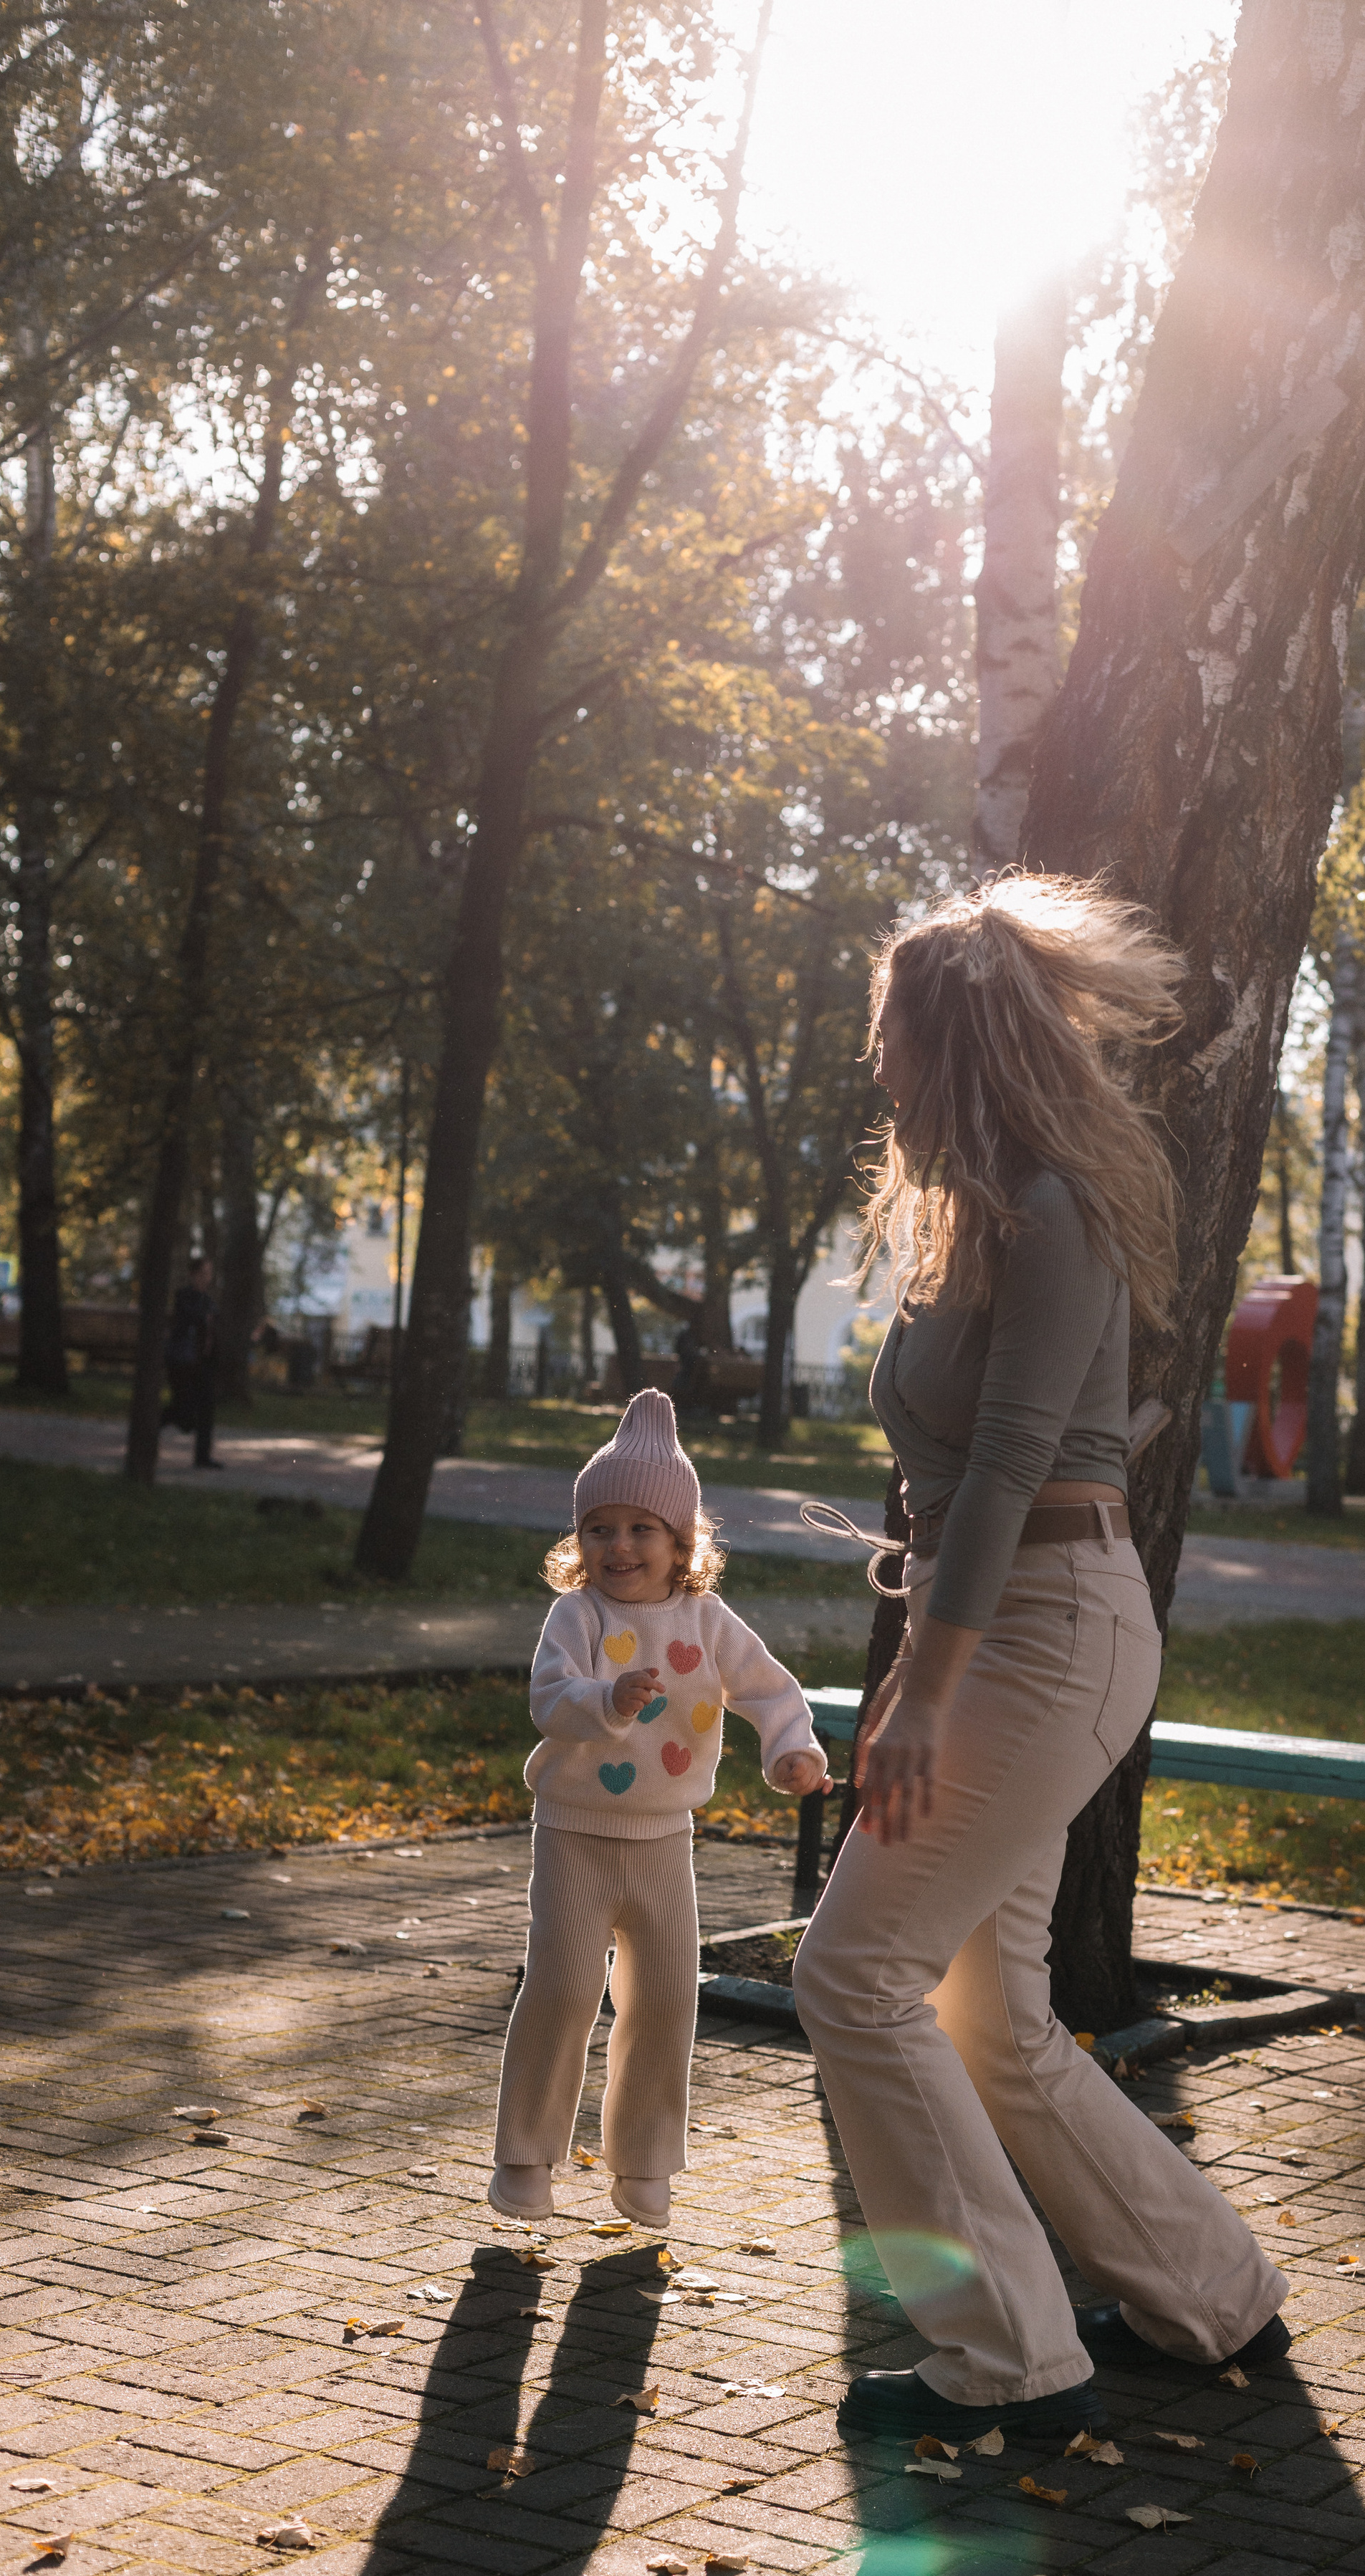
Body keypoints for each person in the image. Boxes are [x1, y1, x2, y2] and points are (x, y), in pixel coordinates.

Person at [792, 877, 1290, 2445]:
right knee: (982, 2014)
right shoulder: (982, 1214)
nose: (873, 1063)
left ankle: (1006, 2354)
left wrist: (922, 1690)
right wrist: (917, 1666)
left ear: (947, 1039)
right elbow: (963, 1489)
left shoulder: (1053, 1211)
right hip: (1004, 1621)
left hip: (1049, 1625)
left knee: (849, 1975)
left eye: (886, 1033)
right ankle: (1208, 2293)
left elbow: (1009, 1465)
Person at [491, 1389, 830, 2226]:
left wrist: (792, 1747)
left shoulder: (706, 1621)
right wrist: (608, 1698)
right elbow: (550, 1700)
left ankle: (643, 2164)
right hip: (574, 1831)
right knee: (566, 1989)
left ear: (682, 1541)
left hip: (664, 1839)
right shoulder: (576, 1615)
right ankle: (525, 2156)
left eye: (641, 1528)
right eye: (599, 1529)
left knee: (669, 1997)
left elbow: (769, 1688)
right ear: (580, 1543)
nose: (619, 1546)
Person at [163, 1255, 224, 1468]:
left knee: (207, 1409)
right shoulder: (184, 1297)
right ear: (193, 1274)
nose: (206, 1279)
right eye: (203, 1274)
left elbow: (214, 1327)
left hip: (203, 1363)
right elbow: (188, 1320)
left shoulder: (209, 1302)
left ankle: (203, 1457)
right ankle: (157, 1420)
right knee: (185, 1412)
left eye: (209, 1274)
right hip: (184, 1364)